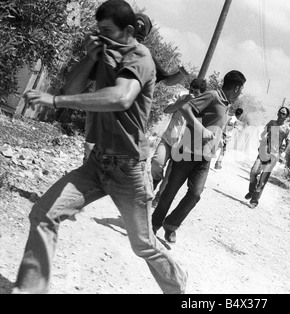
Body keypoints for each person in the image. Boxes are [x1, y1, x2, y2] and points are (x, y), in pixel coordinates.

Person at [17, 0, 187, 294]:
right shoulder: (105, 53)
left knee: (143, 245)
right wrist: (89, 57)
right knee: (43, 215)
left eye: (107, 31)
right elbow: (72, 88)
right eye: (99, 30)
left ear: (129, 30)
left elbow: (121, 97)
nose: (102, 36)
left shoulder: (140, 58)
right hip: (97, 163)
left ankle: (177, 285)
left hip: (128, 170)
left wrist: (55, 101)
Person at [152, 71, 247, 244]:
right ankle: (154, 224)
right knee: (170, 192)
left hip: (204, 158)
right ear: (237, 88)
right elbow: (185, 108)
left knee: (195, 194)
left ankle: (171, 224)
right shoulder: (212, 96)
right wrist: (200, 130)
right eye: (241, 90)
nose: (240, 93)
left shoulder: (226, 104)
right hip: (187, 152)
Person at [83, 12, 190, 163]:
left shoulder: (145, 57)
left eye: (141, 30)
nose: (137, 32)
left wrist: (181, 73)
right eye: (135, 27)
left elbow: (167, 80)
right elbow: (89, 75)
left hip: (125, 118)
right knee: (91, 151)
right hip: (100, 111)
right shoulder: (110, 48)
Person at [151, 78, 207, 207]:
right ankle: (154, 182)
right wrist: (182, 102)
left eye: (196, 92)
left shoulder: (203, 105)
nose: (192, 94)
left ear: (202, 93)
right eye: (191, 90)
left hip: (182, 146)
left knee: (170, 177)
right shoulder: (181, 96)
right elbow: (167, 110)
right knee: (157, 162)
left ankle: (158, 198)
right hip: (168, 139)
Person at [245, 107, 290, 209]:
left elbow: (288, 141)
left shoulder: (287, 129)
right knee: (253, 172)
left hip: (274, 155)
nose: (280, 114)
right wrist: (263, 141)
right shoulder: (272, 123)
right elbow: (263, 134)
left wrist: (284, 152)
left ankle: (254, 200)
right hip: (264, 151)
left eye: (283, 113)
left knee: (263, 178)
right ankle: (251, 191)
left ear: (286, 116)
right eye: (279, 112)